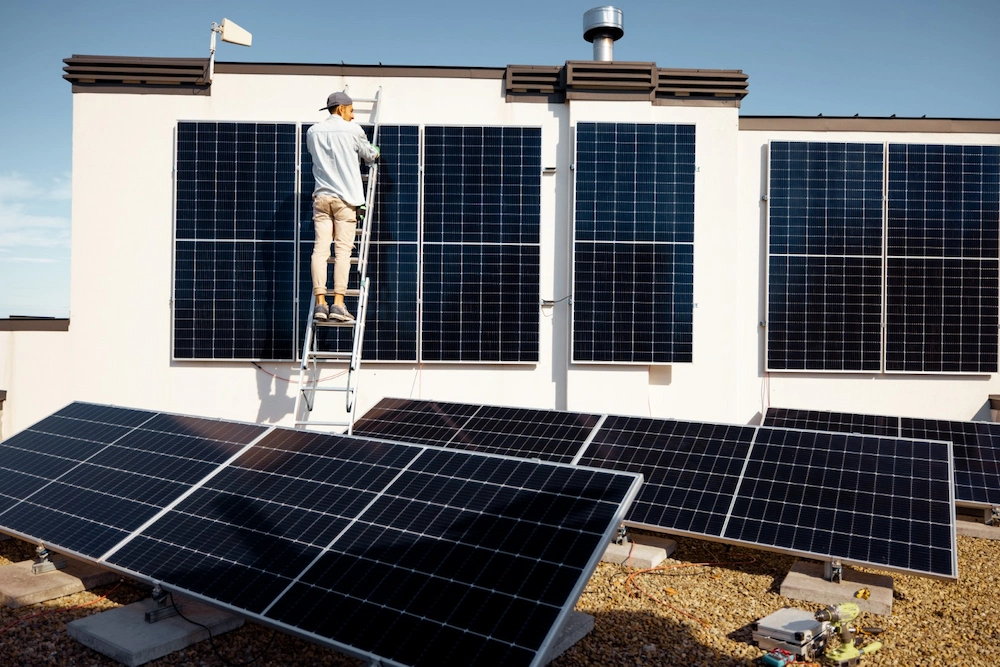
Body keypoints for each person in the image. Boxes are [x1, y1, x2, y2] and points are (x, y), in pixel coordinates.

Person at [306, 91, 380, 322]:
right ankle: (338, 304)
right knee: (343, 252)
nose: (353, 115)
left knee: (320, 250)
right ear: (341, 109)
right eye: (351, 110)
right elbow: (369, 155)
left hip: (321, 198)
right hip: (346, 200)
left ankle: (320, 303)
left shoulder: (313, 131)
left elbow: (315, 156)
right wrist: (375, 151)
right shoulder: (353, 130)